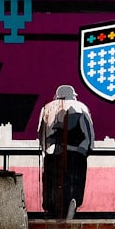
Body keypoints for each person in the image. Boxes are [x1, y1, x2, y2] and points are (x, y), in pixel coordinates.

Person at [38, 85, 94, 219]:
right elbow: (89, 134)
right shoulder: (81, 107)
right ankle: (72, 208)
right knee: (74, 184)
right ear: (72, 95)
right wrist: (86, 150)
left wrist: (46, 150)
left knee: (52, 184)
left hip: (52, 154)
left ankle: (52, 211)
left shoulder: (46, 108)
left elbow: (41, 133)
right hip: (76, 154)